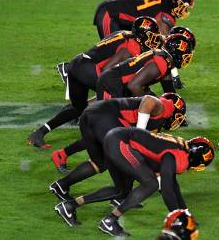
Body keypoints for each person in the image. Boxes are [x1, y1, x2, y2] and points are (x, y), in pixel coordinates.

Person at [28, 16, 162, 149]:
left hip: (77, 65)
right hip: (88, 70)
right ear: (140, 36)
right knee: (115, 101)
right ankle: (122, 136)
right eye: (151, 36)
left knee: (77, 108)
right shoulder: (130, 48)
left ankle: (39, 133)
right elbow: (107, 72)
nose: (154, 40)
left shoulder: (124, 34)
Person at [56, 128, 213, 236]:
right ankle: (110, 220)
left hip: (117, 140)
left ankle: (69, 206)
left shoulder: (181, 147)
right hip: (121, 144)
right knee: (151, 184)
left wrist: (185, 213)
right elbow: (166, 189)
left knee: (122, 190)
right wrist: (178, 218)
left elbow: (172, 183)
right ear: (196, 157)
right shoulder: (179, 157)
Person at [49, 93, 186, 211]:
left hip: (92, 115)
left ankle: (61, 185)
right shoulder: (162, 106)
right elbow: (148, 101)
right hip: (103, 116)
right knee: (127, 159)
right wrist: (139, 132)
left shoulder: (153, 122)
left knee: (101, 162)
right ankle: (116, 200)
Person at [96, 34, 193, 101]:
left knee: (153, 98)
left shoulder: (164, 60)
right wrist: (146, 105)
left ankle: (83, 107)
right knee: (125, 119)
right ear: (176, 54)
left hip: (118, 82)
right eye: (185, 54)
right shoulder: (159, 64)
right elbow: (133, 85)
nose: (186, 57)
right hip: (113, 83)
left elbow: (169, 89)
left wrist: (173, 106)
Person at [94, 0, 193, 38]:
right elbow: (162, 40)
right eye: (183, 7)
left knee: (133, 45)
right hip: (109, 13)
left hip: (114, 2)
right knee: (113, 51)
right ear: (176, 3)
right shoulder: (165, 14)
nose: (184, 10)